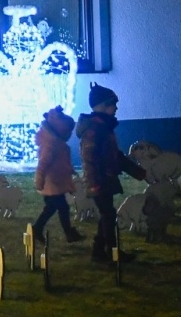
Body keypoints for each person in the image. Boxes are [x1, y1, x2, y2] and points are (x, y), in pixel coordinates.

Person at [76, 83, 147, 263]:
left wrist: (138, 172)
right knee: (108, 215)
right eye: (112, 104)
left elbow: (114, 156)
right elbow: (90, 160)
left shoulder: (103, 127)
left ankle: (99, 252)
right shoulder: (94, 130)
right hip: (99, 180)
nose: (116, 108)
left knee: (107, 214)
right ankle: (112, 253)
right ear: (102, 106)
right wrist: (96, 183)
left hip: (104, 179)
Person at [32, 105, 83, 244]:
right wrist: (40, 178)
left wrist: (70, 170)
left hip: (55, 181)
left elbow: (61, 162)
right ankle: (68, 233)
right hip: (52, 183)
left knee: (52, 208)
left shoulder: (56, 143)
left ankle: (37, 229)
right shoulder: (51, 144)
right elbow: (43, 163)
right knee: (61, 207)